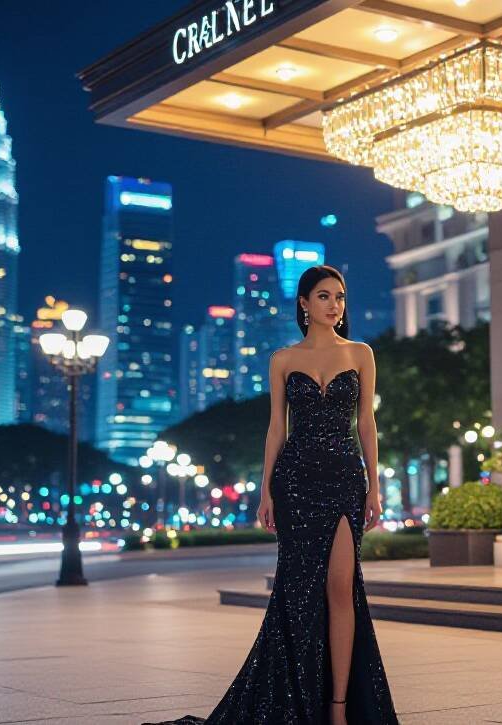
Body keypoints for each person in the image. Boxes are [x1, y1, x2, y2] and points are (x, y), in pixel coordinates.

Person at [145, 265, 398, 725]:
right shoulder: (283, 359)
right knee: (298, 594)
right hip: (296, 481)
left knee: (342, 587)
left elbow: (366, 424)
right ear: (303, 303)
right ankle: (297, 696)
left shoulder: (361, 354)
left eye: (339, 297)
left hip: (343, 478)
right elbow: (275, 429)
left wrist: (374, 486)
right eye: (323, 296)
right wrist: (265, 490)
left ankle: (338, 707)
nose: (334, 305)